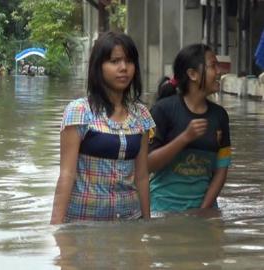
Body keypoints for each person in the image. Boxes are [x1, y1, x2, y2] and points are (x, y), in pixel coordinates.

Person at [50, 32, 155, 223]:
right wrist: (56, 230)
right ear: (98, 67)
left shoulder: (141, 115)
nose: (123, 68)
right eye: (115, 61)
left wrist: (146, 224)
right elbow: (67, 174)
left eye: (129, 61)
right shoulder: (79, 112)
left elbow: (141, 176)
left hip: (129, 222)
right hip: (83, 224)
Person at [148, 44, 231, 212]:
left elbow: (221, 169)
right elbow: (147, 165)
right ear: (192, 74)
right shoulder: (162, 110)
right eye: (213, 66)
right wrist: (185, 138)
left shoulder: (220, 116)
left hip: (204, 210)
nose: (219, 71)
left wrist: (203, 210)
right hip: (163, 209)